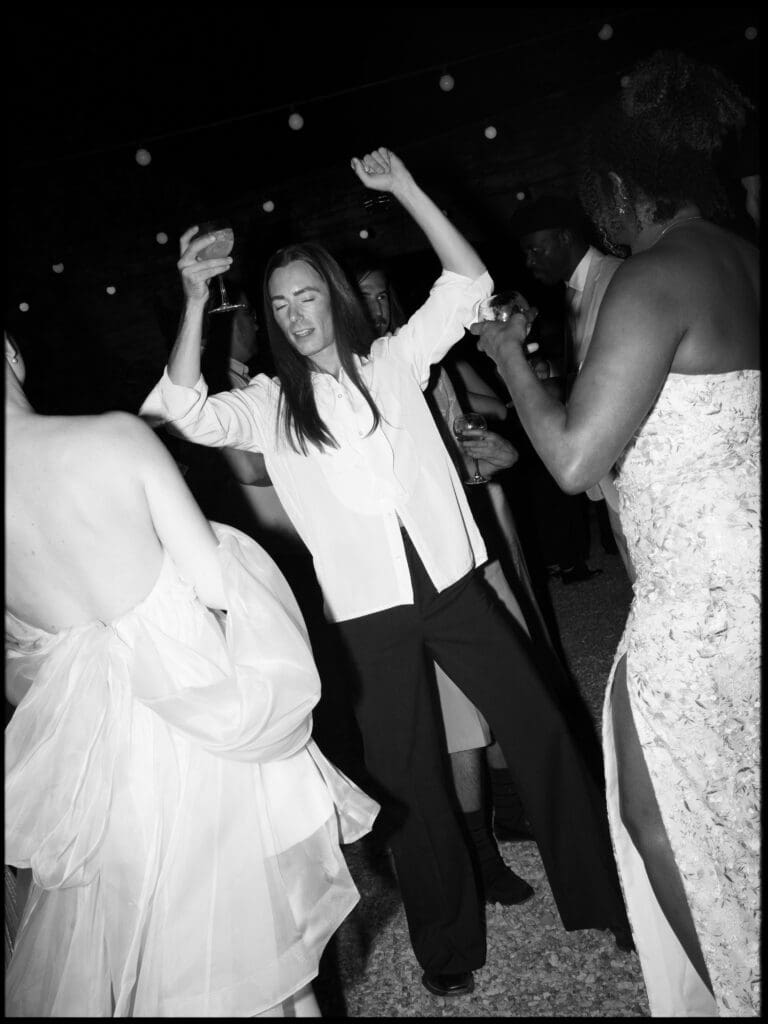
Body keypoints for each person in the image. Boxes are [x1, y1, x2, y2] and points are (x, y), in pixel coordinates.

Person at [141, 146, 631, 999]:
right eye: (279, 305)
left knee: (542, 730)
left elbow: (468, 281)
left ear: (332, 298)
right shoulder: (269, 403)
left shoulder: (396, 362)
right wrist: (191, 299)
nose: (295, 316)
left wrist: (405, 187)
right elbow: (178, 412)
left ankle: (603, 899)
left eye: (306, 297)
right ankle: (447, 946)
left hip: (452, 586)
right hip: (366, 616)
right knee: (411, 780)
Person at [475, 51, 760, 1017]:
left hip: (700, 601)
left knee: (656, 815)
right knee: (738, 806)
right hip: (744, 572)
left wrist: (510, 358)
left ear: (621, 184)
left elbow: (571, 459)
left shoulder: (654, 276)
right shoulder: (745, 261)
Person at [4, 330, 378, 1017]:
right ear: (12, 353)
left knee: (149, 953)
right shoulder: (114, 438)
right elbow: (218, 584)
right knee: (254, 953)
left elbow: (19, 668)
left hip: (90, 755)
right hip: (193, 727)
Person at [357, 263, 537, 891]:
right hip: (420, 566)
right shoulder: (360, 380)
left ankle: (512, 810)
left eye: (382, 295)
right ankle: (479, 853)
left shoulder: (427, 361)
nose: (377, 308)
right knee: (457, 711)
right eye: (363, 298)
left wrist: (487, 458)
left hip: (470, 535)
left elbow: (461, 447)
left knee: (511, 670)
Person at [511, 195, 633, 581]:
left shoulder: (616, 277)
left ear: (564, 237)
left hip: (632, 448)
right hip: (608, 452)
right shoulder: (574, 290)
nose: (529, 262)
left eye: (535, 250)